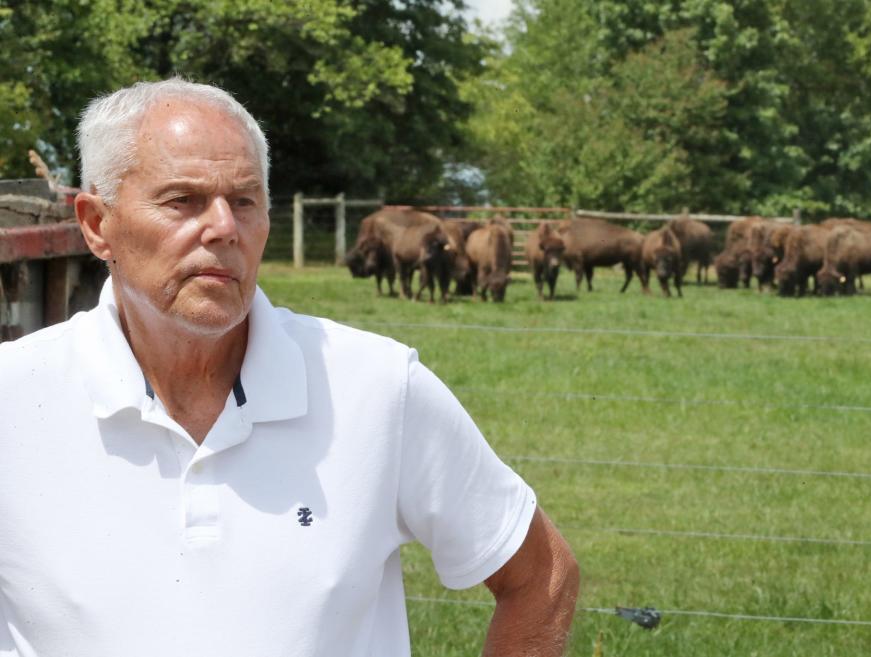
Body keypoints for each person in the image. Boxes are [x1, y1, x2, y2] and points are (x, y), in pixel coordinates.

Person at [0, 79, 579, 656]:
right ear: (98, 224)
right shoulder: (15, 401)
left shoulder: (376, 389)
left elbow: (541, 577)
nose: (224, 227)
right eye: (184, 200)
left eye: (245, 200)